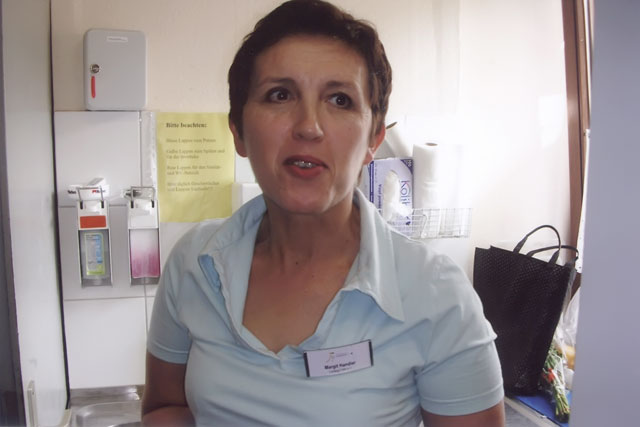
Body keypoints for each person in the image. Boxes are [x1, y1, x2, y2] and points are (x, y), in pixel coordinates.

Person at [142, 0, 505, 425]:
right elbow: (165, 407)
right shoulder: (195, 264)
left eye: (339, 99)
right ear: (238, 131)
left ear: (373, 138)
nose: (309, 126)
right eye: (280, 95)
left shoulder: (437, 296)